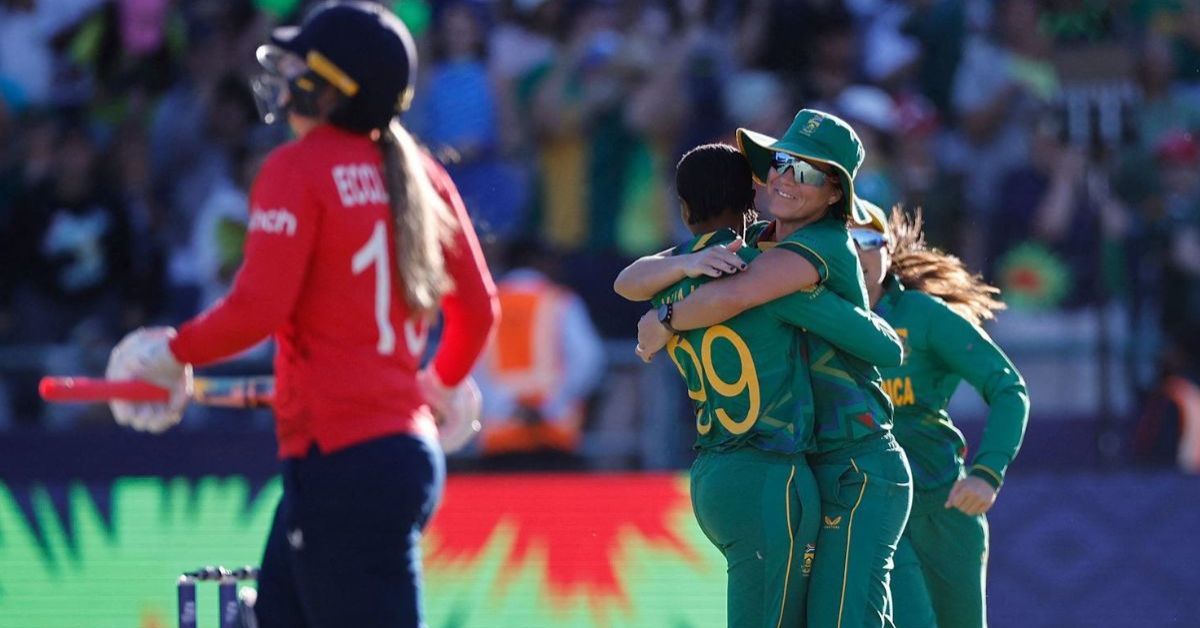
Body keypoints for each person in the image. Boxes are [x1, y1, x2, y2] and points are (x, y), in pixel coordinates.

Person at [102, 3, 499, 626]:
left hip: (341, 463)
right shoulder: (424, 175)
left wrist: (169, 352)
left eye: (294, 67)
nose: (281, 81)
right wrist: (438, 384)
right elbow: (476, 311)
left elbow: (257, 310)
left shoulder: (297, 168)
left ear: (328, 88)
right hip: (395, 457)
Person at [635, 111, 912, 628]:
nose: (785, 177)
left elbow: (736, 295)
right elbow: (634, 277)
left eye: (806, 172)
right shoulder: (760, 238)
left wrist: (664, 318)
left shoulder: (822, 242)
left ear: (835, 195)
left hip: (857, 461)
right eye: (782, 162)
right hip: (806, 462)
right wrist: (672, 279)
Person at [852, 200, 1029, 628]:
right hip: (869, 510)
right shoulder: (816, 316)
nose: (859, 251)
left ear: (888, 249)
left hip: (943, 506)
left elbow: (1008, 387)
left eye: (870, 240)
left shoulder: (923, 315)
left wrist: (988, 472)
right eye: (847, 240)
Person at [473, 235, 605, 470]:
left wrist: (504, 406)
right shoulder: (560, 301)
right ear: (539, 261)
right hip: (553, 433)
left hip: (500, 437)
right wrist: (551, 404)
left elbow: (471, 366)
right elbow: (589, 360)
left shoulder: (486, 305)